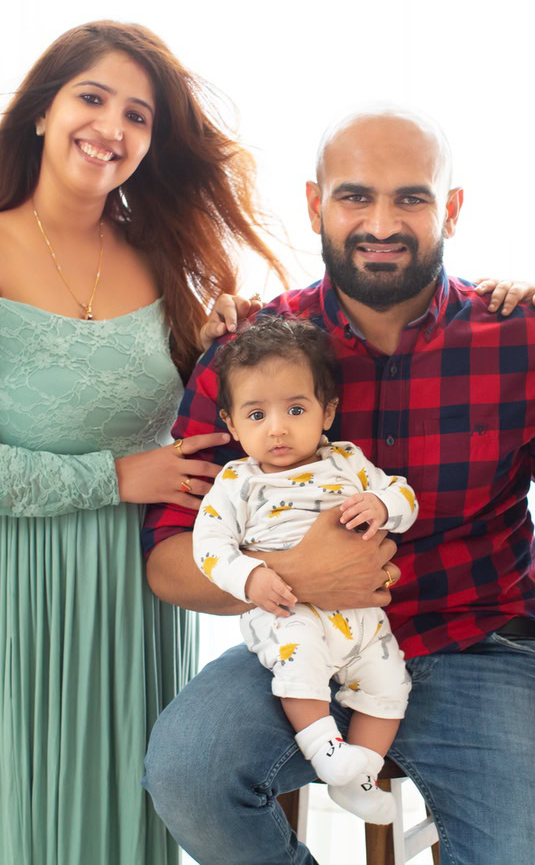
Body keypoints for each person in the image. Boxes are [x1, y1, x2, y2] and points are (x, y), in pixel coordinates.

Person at [139, 108, 535, 863]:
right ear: (317, 204)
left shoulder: (519, 335)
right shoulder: (252, 352)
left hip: (484, 642)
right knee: (187, 772)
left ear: (450, 208)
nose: (381, 222)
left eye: (411, 198)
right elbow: (167, 559)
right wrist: (295, 574)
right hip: (300, 643)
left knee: (534, 852)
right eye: (356, 197)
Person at [0, 21, 285, 864]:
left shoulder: (164, 262)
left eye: (138, 115)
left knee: (119, 814)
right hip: (5, 586)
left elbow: (223, 437)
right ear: (42, 113)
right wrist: (117, 477)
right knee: (15, 817)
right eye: (91, 97)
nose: (111, 127)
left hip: (131, 585)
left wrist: (229, 344)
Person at [193, 313, 419, 824]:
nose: (277, 428)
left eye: (295, 408)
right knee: (301, 665)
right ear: (230, 423)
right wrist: (251, 578)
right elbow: (208, 547)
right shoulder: (236, 483)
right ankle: (326, 751)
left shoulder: (347, 461)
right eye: (256, 416)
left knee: (390, 683)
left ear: (327, 411)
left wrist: (383, 507)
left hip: (361, 614)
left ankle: (360, 777)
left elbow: (402, 492)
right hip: (285, 608)